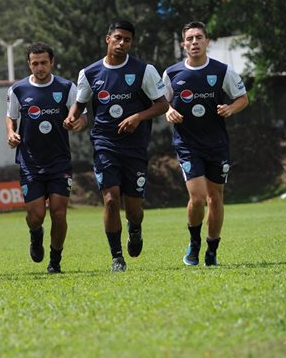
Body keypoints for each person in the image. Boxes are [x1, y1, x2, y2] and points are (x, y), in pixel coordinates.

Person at [64, 20, 168, 272]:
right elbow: (81, 102)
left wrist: (138, 117)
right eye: (118, 38)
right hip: (105, 144)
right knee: (111, 200)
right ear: (107, 38)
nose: (122, 43)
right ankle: (116, 257)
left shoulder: (144, 70)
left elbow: (162, 105)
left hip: (135, 147)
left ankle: (135, 229)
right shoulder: (89, 73)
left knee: (133, 208)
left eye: (127, 40)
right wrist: (71, 116)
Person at [163, 21, 248, 266]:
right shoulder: (172, 73)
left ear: (207, 41)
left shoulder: (222, 71)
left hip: (217, 144)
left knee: (215, 198)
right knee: (198, 198)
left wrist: (231, 107)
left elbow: (243, 98)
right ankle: (194, 243)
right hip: (188, 144)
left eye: (199, 37)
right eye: (189, 39)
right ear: (183, 45)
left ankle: (212, 249)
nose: (194, 42)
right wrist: (168, 110)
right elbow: (160, 102)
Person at [6, 42, 87, 273]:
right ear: (29, 64)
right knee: (36, 215)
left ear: (52, 62)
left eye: (44, 62)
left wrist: (76, 124)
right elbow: (10, 117)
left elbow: (82, 117)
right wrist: (11, 133)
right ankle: (35, 234)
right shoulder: (18, 89)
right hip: (30, 162)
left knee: (59, 212)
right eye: (35, 63)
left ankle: (55, 260)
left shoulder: (66, 87)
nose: (39, 67)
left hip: (59, 160)